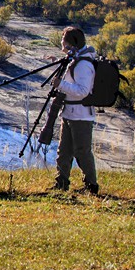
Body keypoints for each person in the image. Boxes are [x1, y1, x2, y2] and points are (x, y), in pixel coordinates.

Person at [52, 26, 99, 195]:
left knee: (82, 152)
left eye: (63, 40)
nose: (61, 44)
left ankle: (91, 186)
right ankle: (61, 183)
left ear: (71, 43)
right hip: (70, 113)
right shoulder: (76, 61)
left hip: (81, 115)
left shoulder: (83, 65)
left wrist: (60, 85)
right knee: (64, 151)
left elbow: (82, 91)